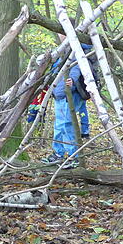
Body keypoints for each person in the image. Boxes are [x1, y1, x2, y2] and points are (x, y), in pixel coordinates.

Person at [43, 39, 91, 167]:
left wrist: (72, 81)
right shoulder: (61, 50)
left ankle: (72, 156)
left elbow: (77, 67)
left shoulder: (77, 49)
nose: (60, 35)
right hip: (59, 93)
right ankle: (58, 154)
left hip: (71, 94)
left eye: (63, 32)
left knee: (67, 124)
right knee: (59, 125)